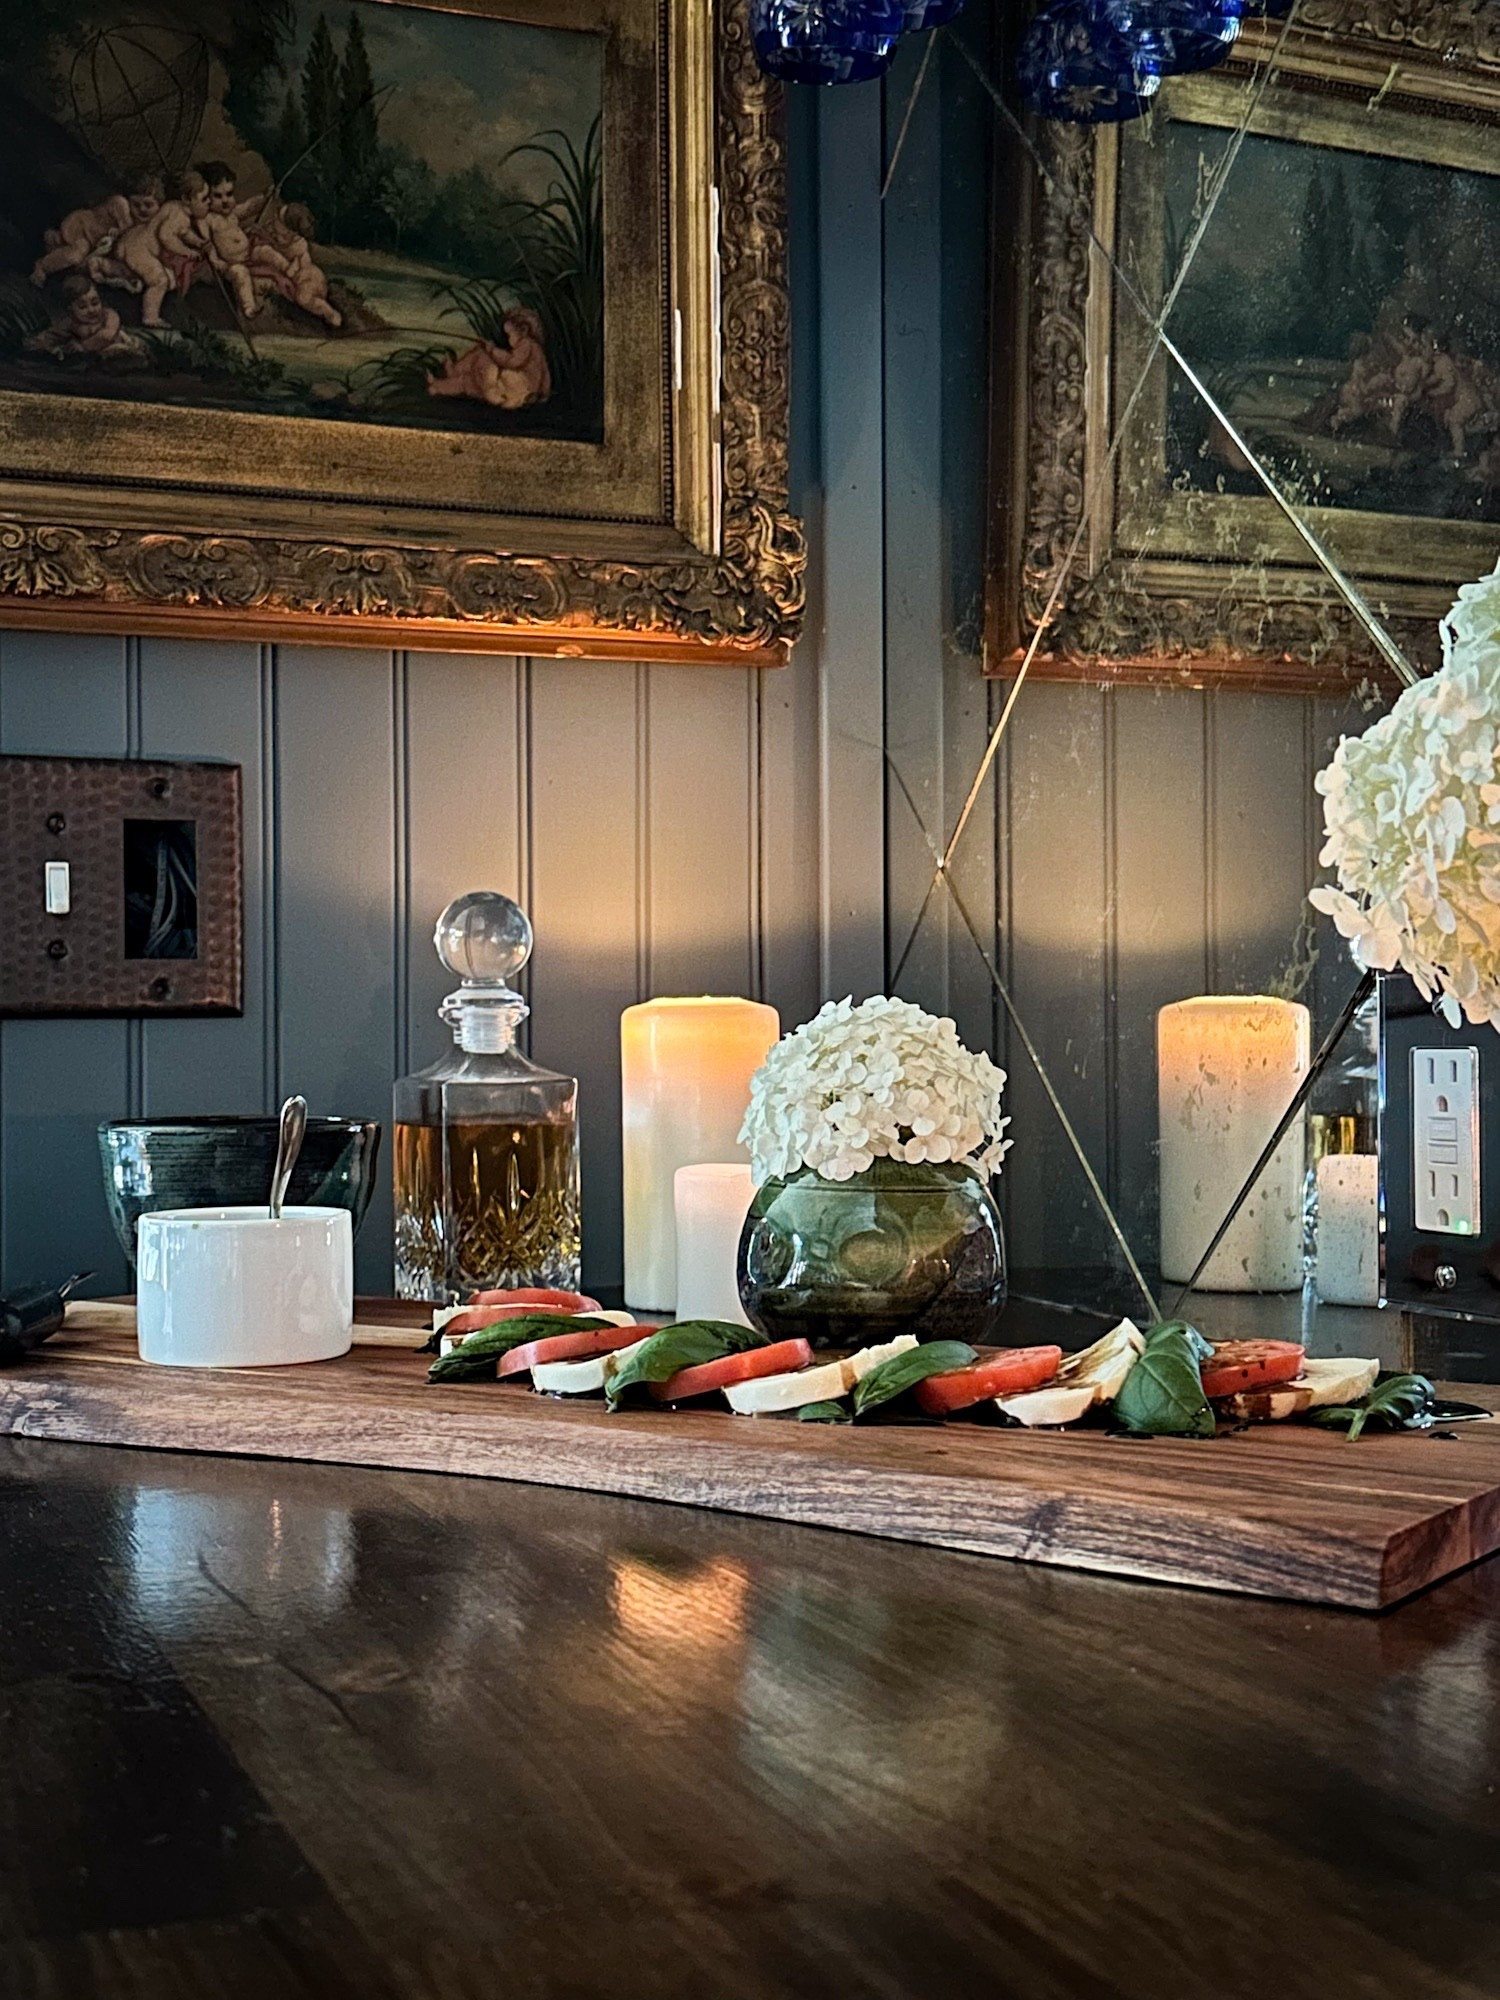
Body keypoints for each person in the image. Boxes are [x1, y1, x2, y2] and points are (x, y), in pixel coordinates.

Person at [111, 169, 211, 326]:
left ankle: (107, 269)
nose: (209, 202)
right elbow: (166, 236)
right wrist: (187, 252)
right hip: (140, 250)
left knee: (157, 275)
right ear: (186, 198)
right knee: (160, 281)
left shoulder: (174, 207)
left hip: (130, 240)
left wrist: (198, 241)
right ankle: (150, 317)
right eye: (204, 198)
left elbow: (184, 232)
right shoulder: (180, 215)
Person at [30, 176, 161, 286]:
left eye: (148, 205)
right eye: (136, 205)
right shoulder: (121, 204)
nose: (142, 209)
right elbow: (126, 231)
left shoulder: (149, 226)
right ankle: (42, 266)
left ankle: (54, 245)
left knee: (80, 257)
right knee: (76, 254)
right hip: (82, 227)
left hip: (92, 242)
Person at [426, 308, 552, 410]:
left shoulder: (526, 344)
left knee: (481, 355)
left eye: (509, 334)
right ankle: (438, 387)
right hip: (514, 393)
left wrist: (492, 350)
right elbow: (545, 376)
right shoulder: (537, 350)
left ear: (523, 330)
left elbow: (512, 362)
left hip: (514, 389)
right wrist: (543, 395)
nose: (508, 339)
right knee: (469, 382)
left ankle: (454, 372)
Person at [248, 201, 342, 327]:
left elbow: (289, 262)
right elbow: (273, 244)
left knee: (303, 298)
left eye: (280, 234)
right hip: (300, 278)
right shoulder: (278, 231)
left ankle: (329, 313)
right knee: (264, 252)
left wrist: (269, 242)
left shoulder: (299, 245)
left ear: (293, 233)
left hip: (310, 279)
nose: (274, 234)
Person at [195, 159, 265, 319]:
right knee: (241, 274)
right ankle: (249, 308)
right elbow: (207, 244)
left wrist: (264, 197)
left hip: (247, 255)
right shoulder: (208, 219)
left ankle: (290, 270)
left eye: (229, 194)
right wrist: (215, 261)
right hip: (229, 264)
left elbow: (249, 207)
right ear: (206, 196)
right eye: (218, 196)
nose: (225, 200)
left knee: (266, 251)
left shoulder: (231, 213)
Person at [24, 274, 143, 360]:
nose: (91, 310)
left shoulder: (109, 315)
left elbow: (106, 335)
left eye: (95, 302)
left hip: (122, 345)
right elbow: (52, 335)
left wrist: (83, 346)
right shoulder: (70, 323)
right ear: (70, 310)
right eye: (82, 307)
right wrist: (36, 343)